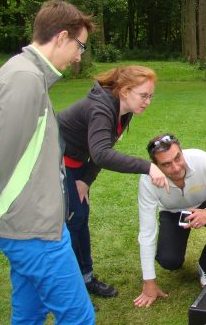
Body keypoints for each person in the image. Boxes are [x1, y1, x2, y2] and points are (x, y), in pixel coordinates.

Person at [0, 0, 96, 324]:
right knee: (79, 318)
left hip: (34, 225)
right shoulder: (24, 78)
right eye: (79, 46)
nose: (79, 56)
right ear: (61, 37)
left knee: (29, 314)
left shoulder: (27, 74)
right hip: (33, 229)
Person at [57, 65, 168, 298]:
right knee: (70, 224)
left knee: (80, 217)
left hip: (75, 164)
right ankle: (73, 289)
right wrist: (148, 167)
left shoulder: (123, 110)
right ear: (125, 91)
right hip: (53, 162)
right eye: (144, 95)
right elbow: (101, 153)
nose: (148, 101)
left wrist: (86, 179)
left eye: (151, 96)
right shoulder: (101, 108)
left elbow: (104, 147)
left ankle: (85, 280)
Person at [133, 133, 206, 308]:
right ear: (155, 166)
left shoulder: (203, 160)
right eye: (166, 164)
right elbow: (147, 231)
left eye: (178, 158)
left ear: (182, 151)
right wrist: (149, 281)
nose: (176, 168)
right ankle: (174, 249)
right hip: (173, 211)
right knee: (170, 261)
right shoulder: (147, 181)